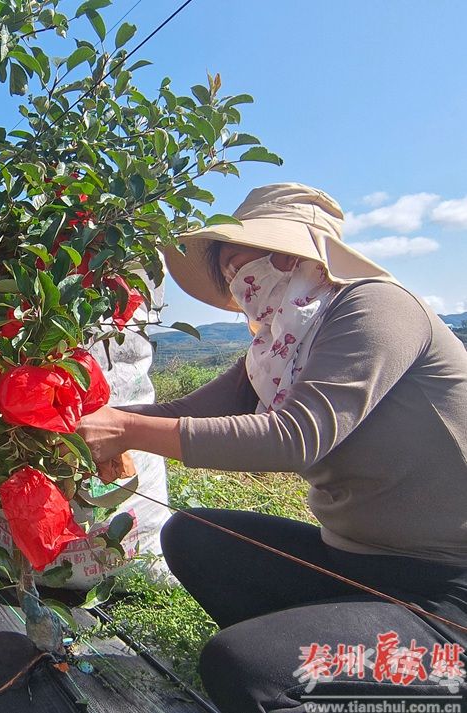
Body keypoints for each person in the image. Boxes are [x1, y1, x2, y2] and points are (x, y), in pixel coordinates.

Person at [76, 184, 467, 711]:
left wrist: (125, 430)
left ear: (292, 255)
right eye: (229, 273)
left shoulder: (377, 307)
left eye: (243, 264)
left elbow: (294, 437)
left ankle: (414, 683)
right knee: (192, 536)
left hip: (446, 595)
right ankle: (329, 664)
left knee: (243, 667)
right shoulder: (281, 348)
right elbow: (186, 411)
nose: (239, 284)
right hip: (354, 565)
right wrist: (85, 425)